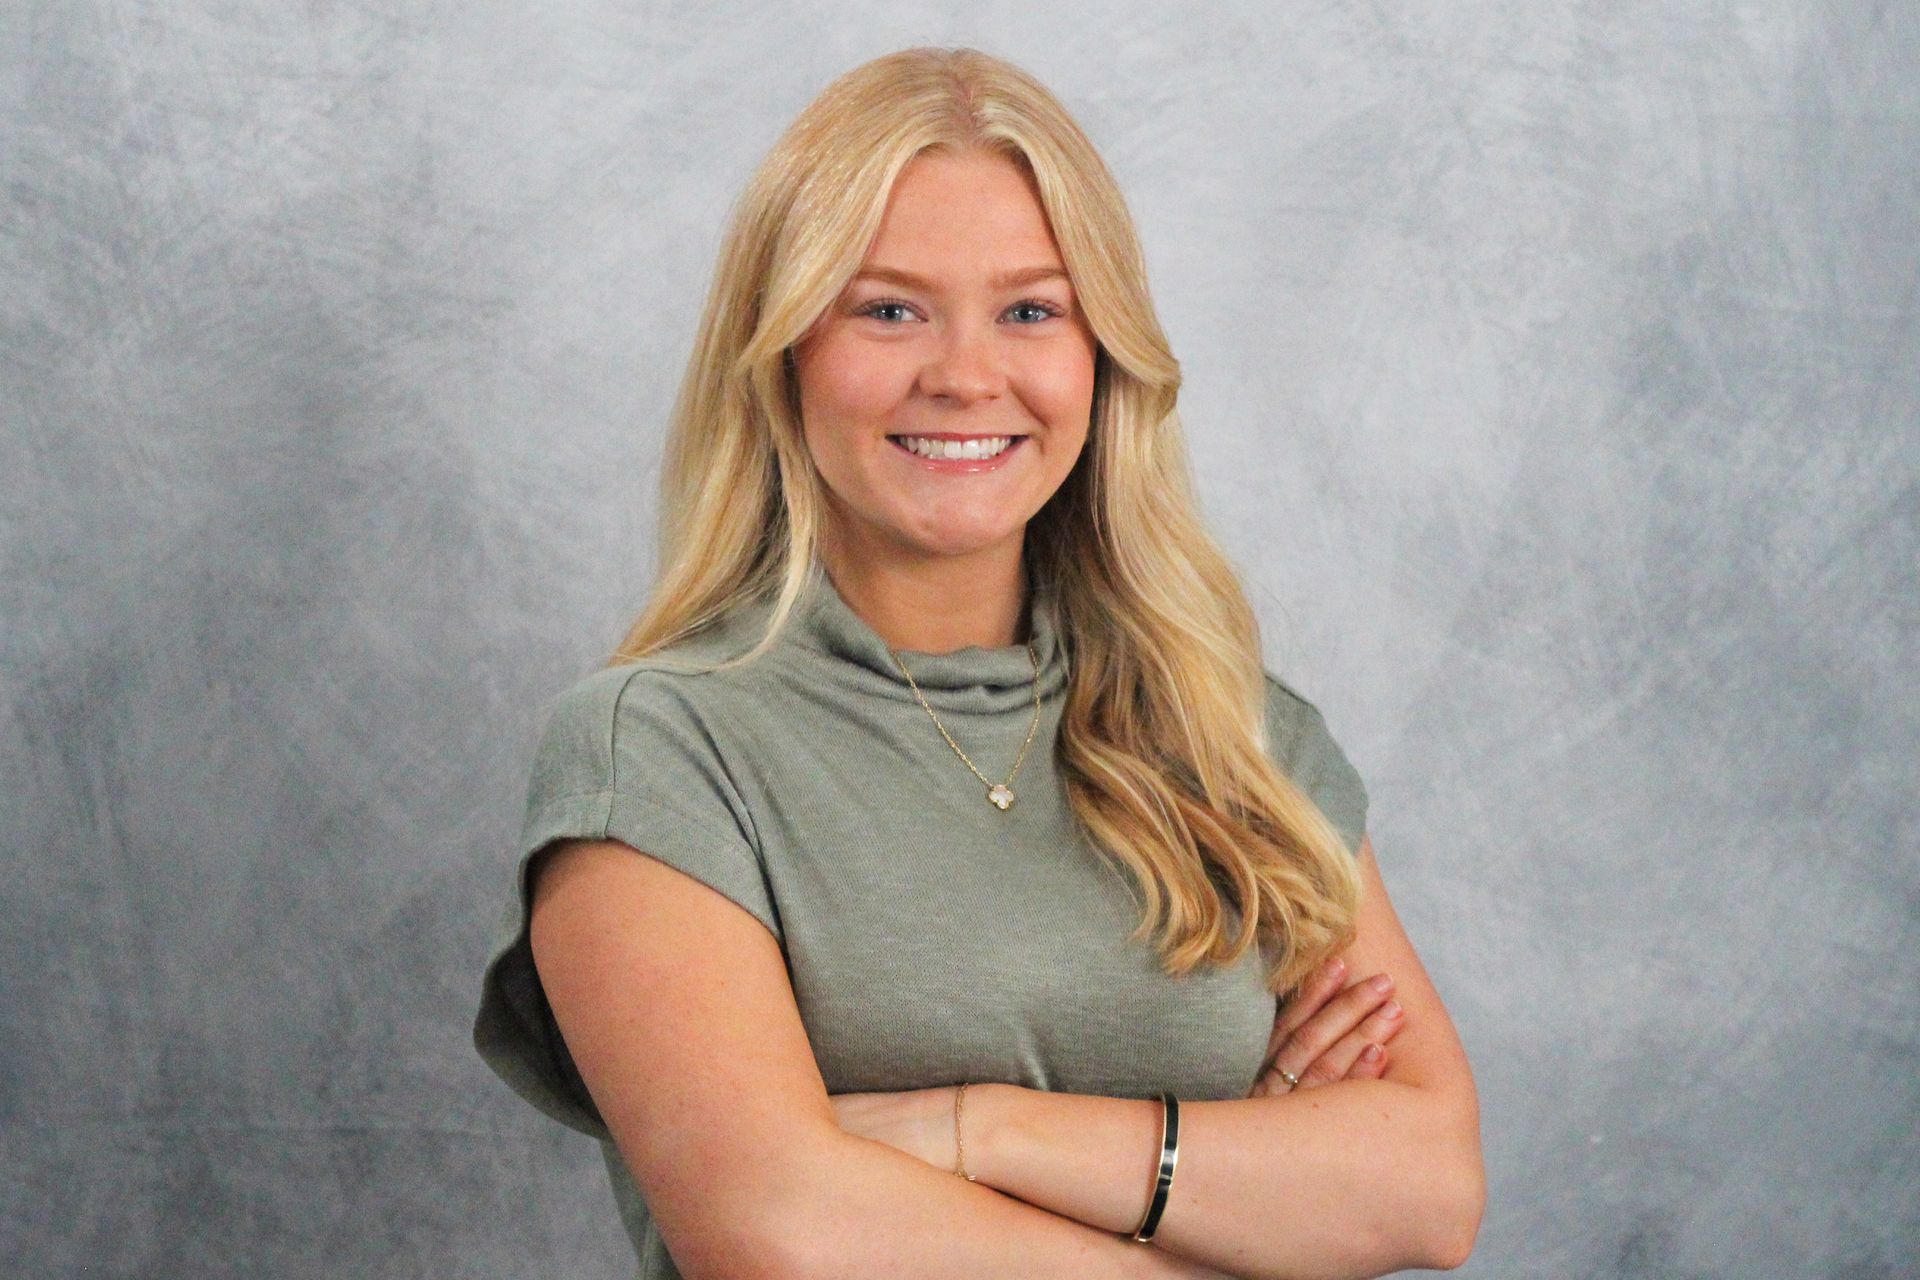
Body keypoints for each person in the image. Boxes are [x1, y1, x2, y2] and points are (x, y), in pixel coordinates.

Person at [473, 45, 1483, 1280]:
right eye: (887, 307)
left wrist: (972, 1131)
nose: (964, 375)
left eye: (1032, 309)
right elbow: (781, 1234)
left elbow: (1429, 1185)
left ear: (1102, 355)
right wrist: (1243, 1186)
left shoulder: (1237, 736)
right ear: (784, 346)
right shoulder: (660, 751)